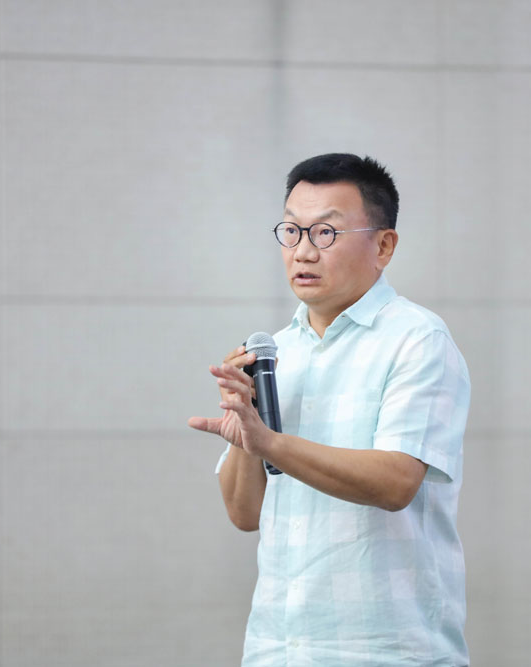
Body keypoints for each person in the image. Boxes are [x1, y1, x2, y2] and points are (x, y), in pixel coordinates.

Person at [188, 153, 471, 666]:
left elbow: (395, 483)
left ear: (383, 245)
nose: (303, 251)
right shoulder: (272, 352)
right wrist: (247, 436)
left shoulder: (417, 340)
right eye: (291, 231)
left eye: (325, 233)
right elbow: (245, 514)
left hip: (386, 652)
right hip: (278, 649)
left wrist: (272, 443)